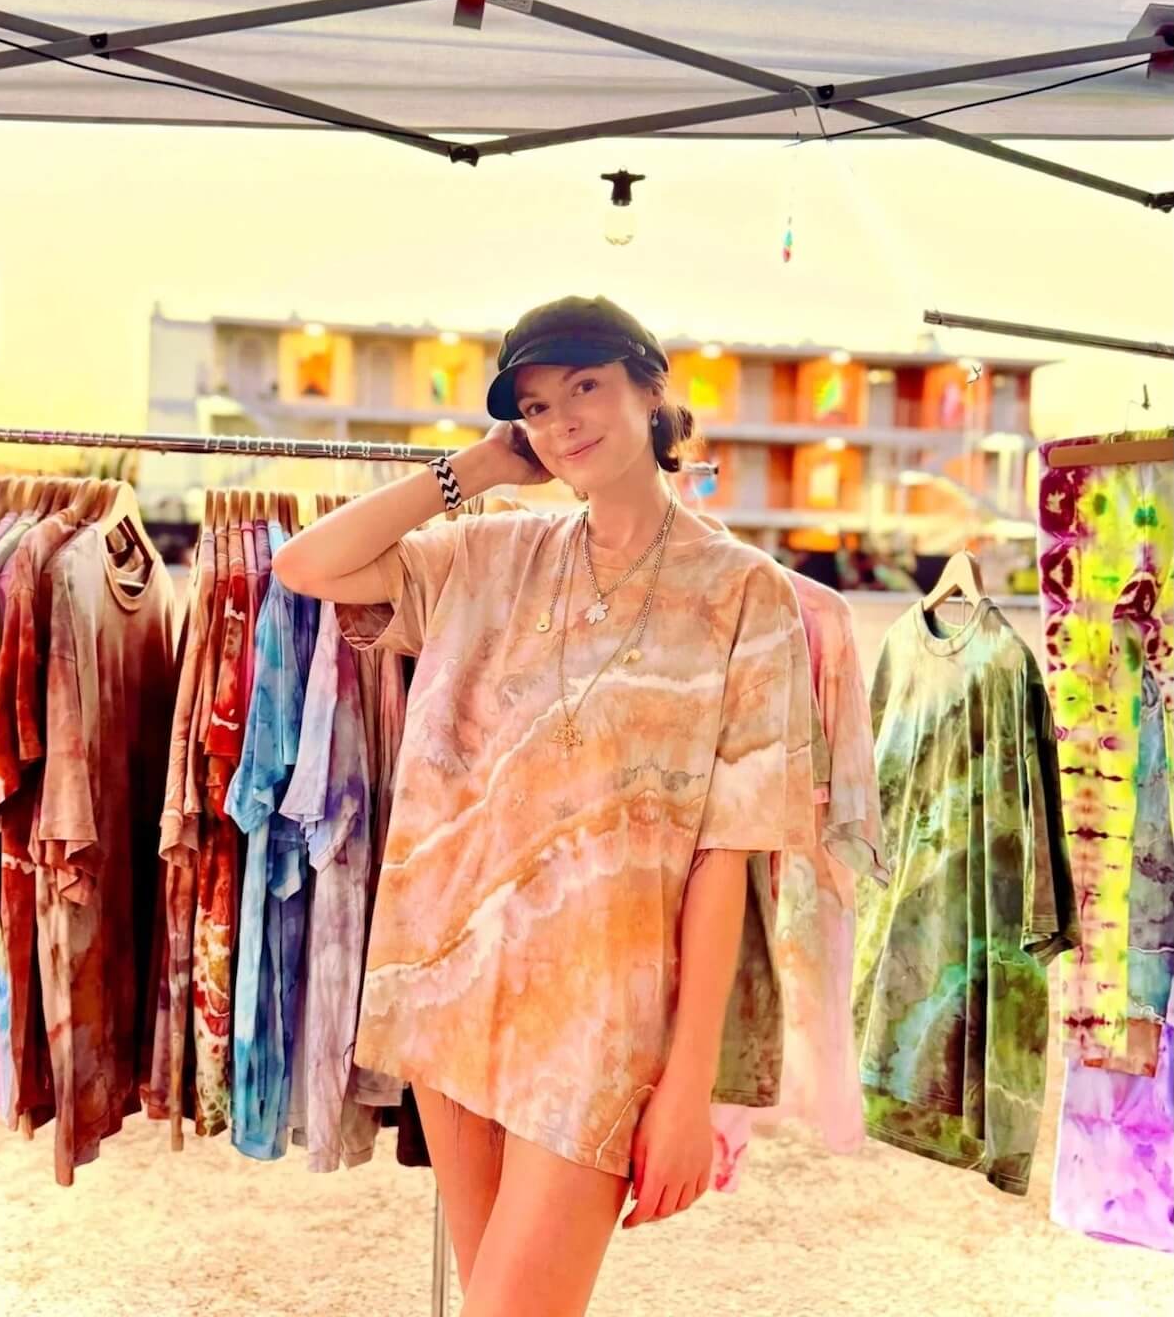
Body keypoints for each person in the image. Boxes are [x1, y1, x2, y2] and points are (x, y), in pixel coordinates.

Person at [273, 295, 810, 1317]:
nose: (564, 420)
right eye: (536, 404)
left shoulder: (746, 595)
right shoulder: (488, 556)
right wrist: (471, 473)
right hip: (453, 983)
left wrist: (686, 1089)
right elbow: (307, 566)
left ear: (651, 391)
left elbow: (723, 858)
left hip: (603, 1020)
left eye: (587, 387)